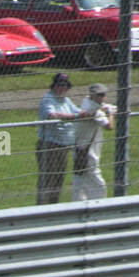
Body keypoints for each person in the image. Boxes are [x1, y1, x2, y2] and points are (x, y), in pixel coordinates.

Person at [36, 73, 89, 204]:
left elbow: (78, 111)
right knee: (48, 178)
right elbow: (53, 115)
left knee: (59, 178)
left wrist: (93, 111)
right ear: (54, 86)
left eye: (65, 85)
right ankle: (41, 208)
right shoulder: (48, 99)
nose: (62, 88)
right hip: (49, 145)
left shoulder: (66, 100)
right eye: (60, 85)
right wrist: (73, 117)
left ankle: (53, 207)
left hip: (64, 146)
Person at [72, 82, 115, 201]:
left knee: (80, 178)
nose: (102, 97)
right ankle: (98, 204)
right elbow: (109, 126)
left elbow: (100, 106)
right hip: (87, 150)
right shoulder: (94, 111)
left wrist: (104, 107)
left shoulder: (87, 101)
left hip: (80, 147)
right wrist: (111, 113)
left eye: (103, 94)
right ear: (92, 95)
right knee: (97, 182)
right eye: (99, 95)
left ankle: (78, 202)